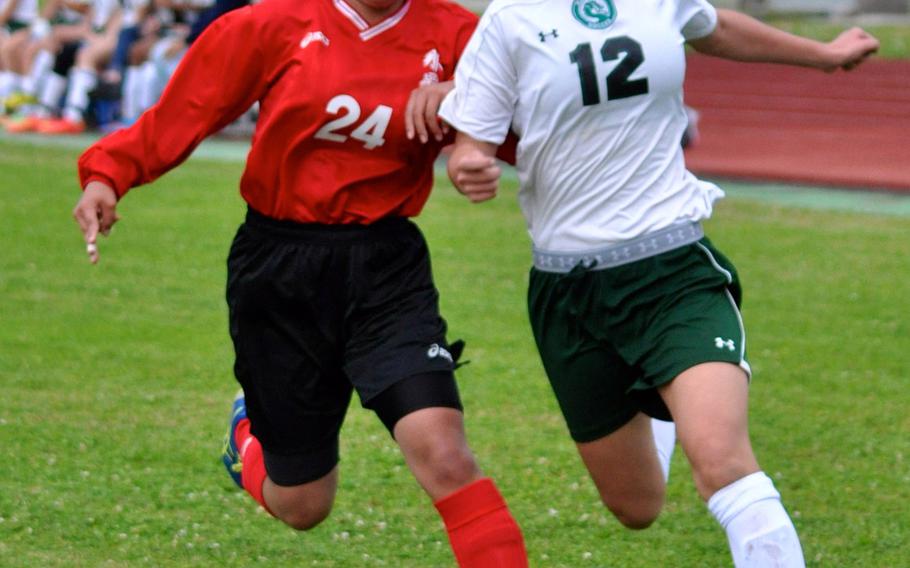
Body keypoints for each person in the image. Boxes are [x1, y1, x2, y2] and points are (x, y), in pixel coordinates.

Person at [71, 0, 528, 565]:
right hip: (279, 270)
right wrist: (107, 176)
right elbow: (184, 112)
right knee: (303, 504)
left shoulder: (462, 34)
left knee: (445, 454)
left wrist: (466, 104)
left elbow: (529, 130)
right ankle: (248, 436)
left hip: (387, 270)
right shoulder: (271, 23)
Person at [439, 1, 879, 566]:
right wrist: (468, 167)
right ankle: (661, 404)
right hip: (568, 292)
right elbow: (470, 143)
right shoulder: (509, 18)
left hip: (672, 268)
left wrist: (826, 55)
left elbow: (713, 28)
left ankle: (675, 389)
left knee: (723, 463)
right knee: (636, 505)